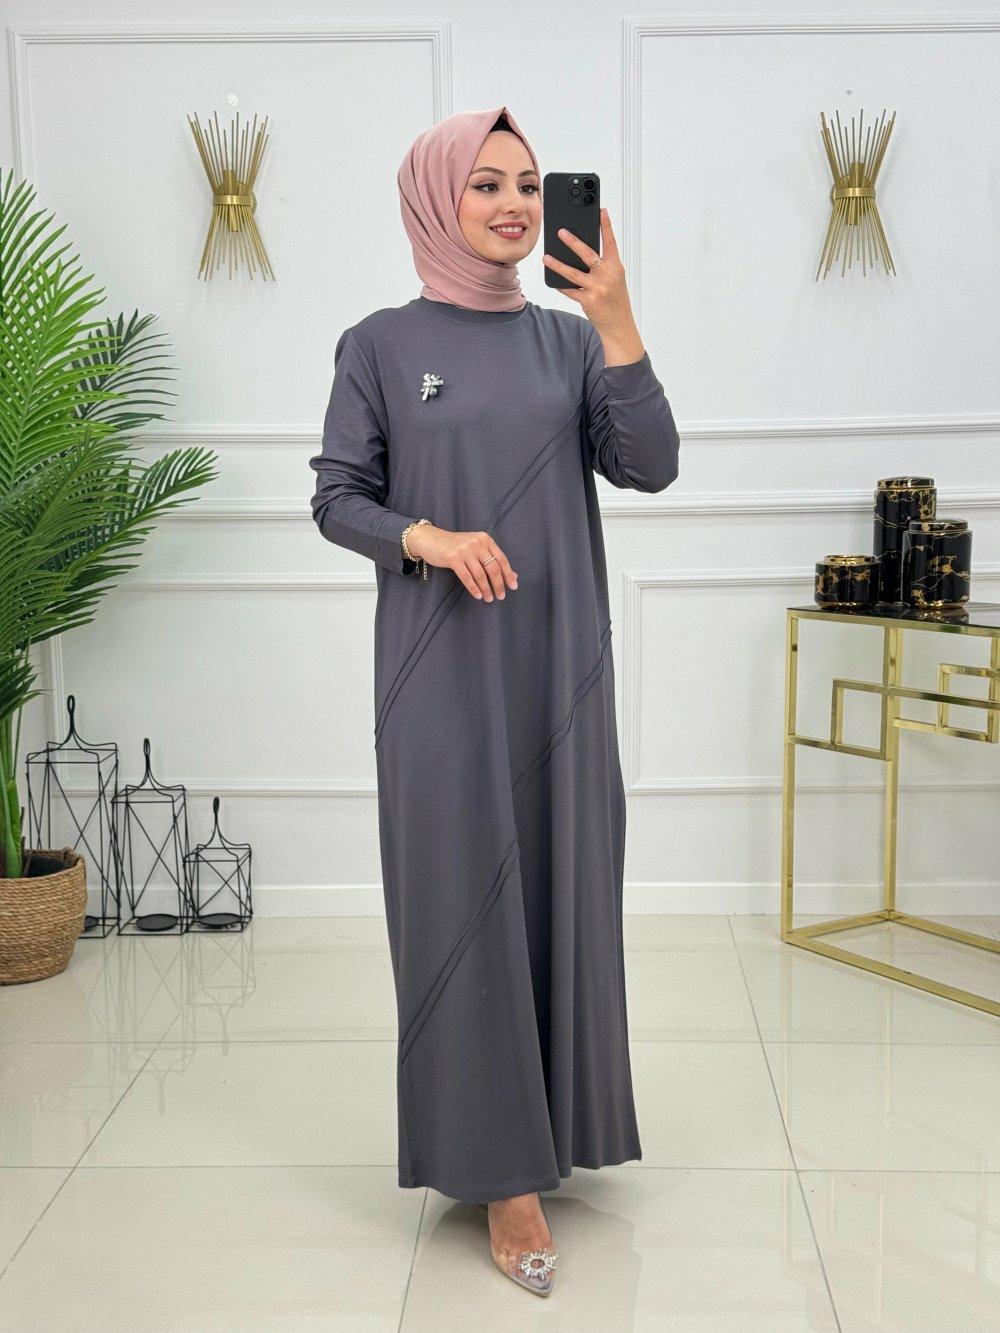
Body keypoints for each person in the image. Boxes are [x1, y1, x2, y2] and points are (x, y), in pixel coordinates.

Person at [308, 105, 680, 1298]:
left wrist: (616, 320)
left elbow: (649, 465)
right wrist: (425, 536)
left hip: (558, 668)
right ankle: (499, 1178)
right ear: (436, 198)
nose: (514, 203)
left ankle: (553, 1132)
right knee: (460, 901)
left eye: (526, 183)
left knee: (565, 888)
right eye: (485, 183)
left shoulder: (568, 342)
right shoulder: (377, 343)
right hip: (439, 667)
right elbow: (336, 496)